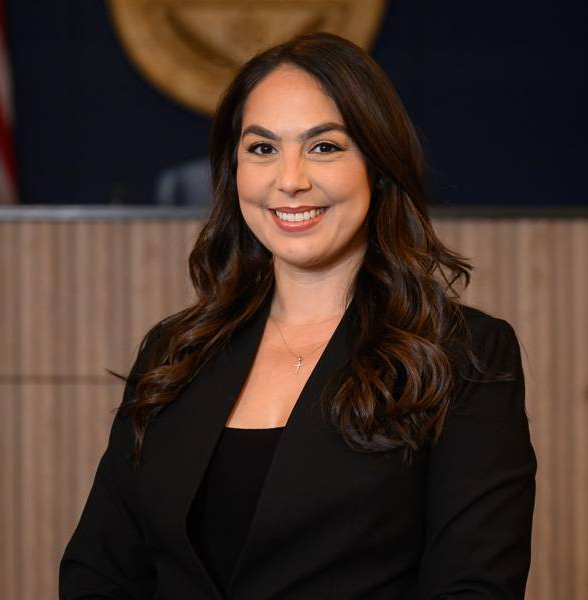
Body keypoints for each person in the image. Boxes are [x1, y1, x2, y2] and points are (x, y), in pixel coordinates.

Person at [60, 32, 536, 600]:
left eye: (324, 147)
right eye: (262, 148)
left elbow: (474, 587)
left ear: (378, 166)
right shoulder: (174, 352)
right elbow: (100, 572)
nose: (290, 179)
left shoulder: (465, 355)